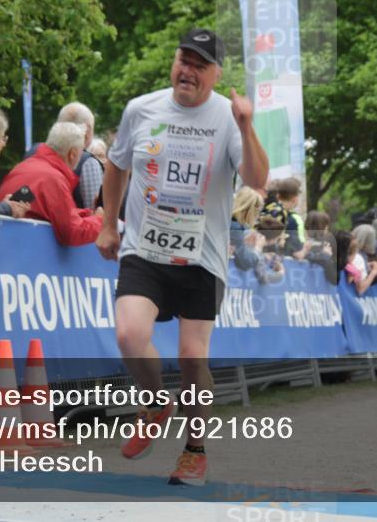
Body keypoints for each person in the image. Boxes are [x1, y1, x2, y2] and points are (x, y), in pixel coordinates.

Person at [94, 28, 269, 486]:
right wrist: (109, 224)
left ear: (215, 73)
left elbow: (257, 179)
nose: (187, 70)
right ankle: (154, 400)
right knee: (130, 334)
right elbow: (116, 164)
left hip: (201, 257)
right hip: (145, 249)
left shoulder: (228, 119)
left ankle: (194, 450)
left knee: (193, 358)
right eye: (182, 60)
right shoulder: (142, 108)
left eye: (199, 64)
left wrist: (247, 126)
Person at [0, 122, 103, 247]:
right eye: (81, 153)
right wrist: (100, 220)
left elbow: (53, 213)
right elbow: (71, 233)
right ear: (73, 154)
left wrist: (87, 215)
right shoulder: (54, 180)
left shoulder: (22, 167)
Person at [57, 102, 104, 209]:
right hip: (74, 223)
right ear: (87, 131)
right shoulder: (88, 163)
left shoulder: (35, 154)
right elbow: (94, 211)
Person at [259, 176, 304, 257]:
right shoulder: (291, 220)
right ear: (295, 199)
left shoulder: (265, 211)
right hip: (280, 262)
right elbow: (297, 252)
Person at [230, 187, 263, 272]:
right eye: (258, 211)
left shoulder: (232, 223)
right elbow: (245, 262)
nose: (258, 216)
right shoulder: (235, 228)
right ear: (250, 210)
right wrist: (257, 248)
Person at [304, 211, 336, 284]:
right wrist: (325, 254)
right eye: (326, 225)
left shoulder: (304, 243)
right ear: (322, 226)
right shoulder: (310, 245)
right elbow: (334, 277)